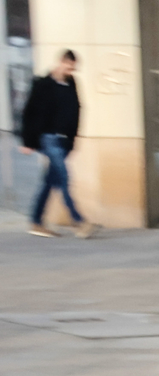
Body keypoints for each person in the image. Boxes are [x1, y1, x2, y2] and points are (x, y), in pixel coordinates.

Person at [21, 50, 95, 239]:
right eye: (69, 66)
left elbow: (78, 110)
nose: (71, 71)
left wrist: (73, 139)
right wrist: (27, 141)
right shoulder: (43, 84)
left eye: (74, 68)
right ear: (61, 62)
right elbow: (29, 112)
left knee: (49, 182)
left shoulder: (71, 84)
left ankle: (36, 222)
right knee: (63, 178)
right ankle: (78, 221)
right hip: (48, 138)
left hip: (64, 140)